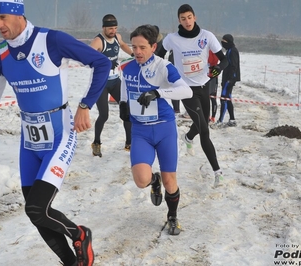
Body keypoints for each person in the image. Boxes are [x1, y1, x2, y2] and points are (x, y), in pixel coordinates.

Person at [0, 1, 110, 265]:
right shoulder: (0, 53)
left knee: (37, 208)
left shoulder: (51, 40)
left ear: (18, 14)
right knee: (36, 213)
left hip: (59, 133)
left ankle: (80, 234)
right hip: (29, 140)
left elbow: (101, 63)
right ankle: (72, 261)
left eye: (3, 18)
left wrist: (85, 105)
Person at [119, 25, 192, 235]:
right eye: (134, 47)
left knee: (171, 182)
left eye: (142, 47)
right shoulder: (128, 67)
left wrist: (157, 93)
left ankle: (172, 216)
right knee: (141, 180)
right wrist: (124, 104)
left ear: (153, 47)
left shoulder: (163, 67)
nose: (137, 52)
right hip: (141, 131)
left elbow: (185, 91)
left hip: (164, 129)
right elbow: (125, 85)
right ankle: (154, 180)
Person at [156, 4, 228, 187]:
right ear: (178, 20)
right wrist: (165, 74)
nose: (187, 21)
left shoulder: (207, 36)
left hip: (204, 86)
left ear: (194, 17)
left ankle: (188, 137)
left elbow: (224, 59)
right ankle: (217, 172)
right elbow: (158, 56)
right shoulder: (172, 39)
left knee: (204, 122)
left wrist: (218, 69)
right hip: (186, 89)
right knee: (204, 130)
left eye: (189, 17)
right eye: (183, 18)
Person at [89, 14, 133, 157]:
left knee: (127, 110)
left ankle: (129, 143)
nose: (113, 31)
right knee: (104, 115)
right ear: (103, 28)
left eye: (115, 28)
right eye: (110, 28)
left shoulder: (117, 37)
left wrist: (134, 53)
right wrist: (105, 62)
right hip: (101, 83)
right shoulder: (98, 41)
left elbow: (123, 45)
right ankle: (96, 143)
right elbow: (88, 59)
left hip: (115, 81)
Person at [212, 34, 241, 128]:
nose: (222, 43)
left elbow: (234, 66)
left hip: (230, 79)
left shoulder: (233, 51)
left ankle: (220, 121)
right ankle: (232, 119)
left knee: (223, 99)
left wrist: (230, 80)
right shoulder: (229, 50)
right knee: (228, 98)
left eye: (224, 42)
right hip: (226, 79)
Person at [208, 50, 219, 123]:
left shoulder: (212, 50)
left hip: (212, 75)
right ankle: (209, 116)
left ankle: (213, 117)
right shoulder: (213, 50)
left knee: (212, 97)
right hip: (210, 74)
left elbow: (212, 61)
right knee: (209, 98)